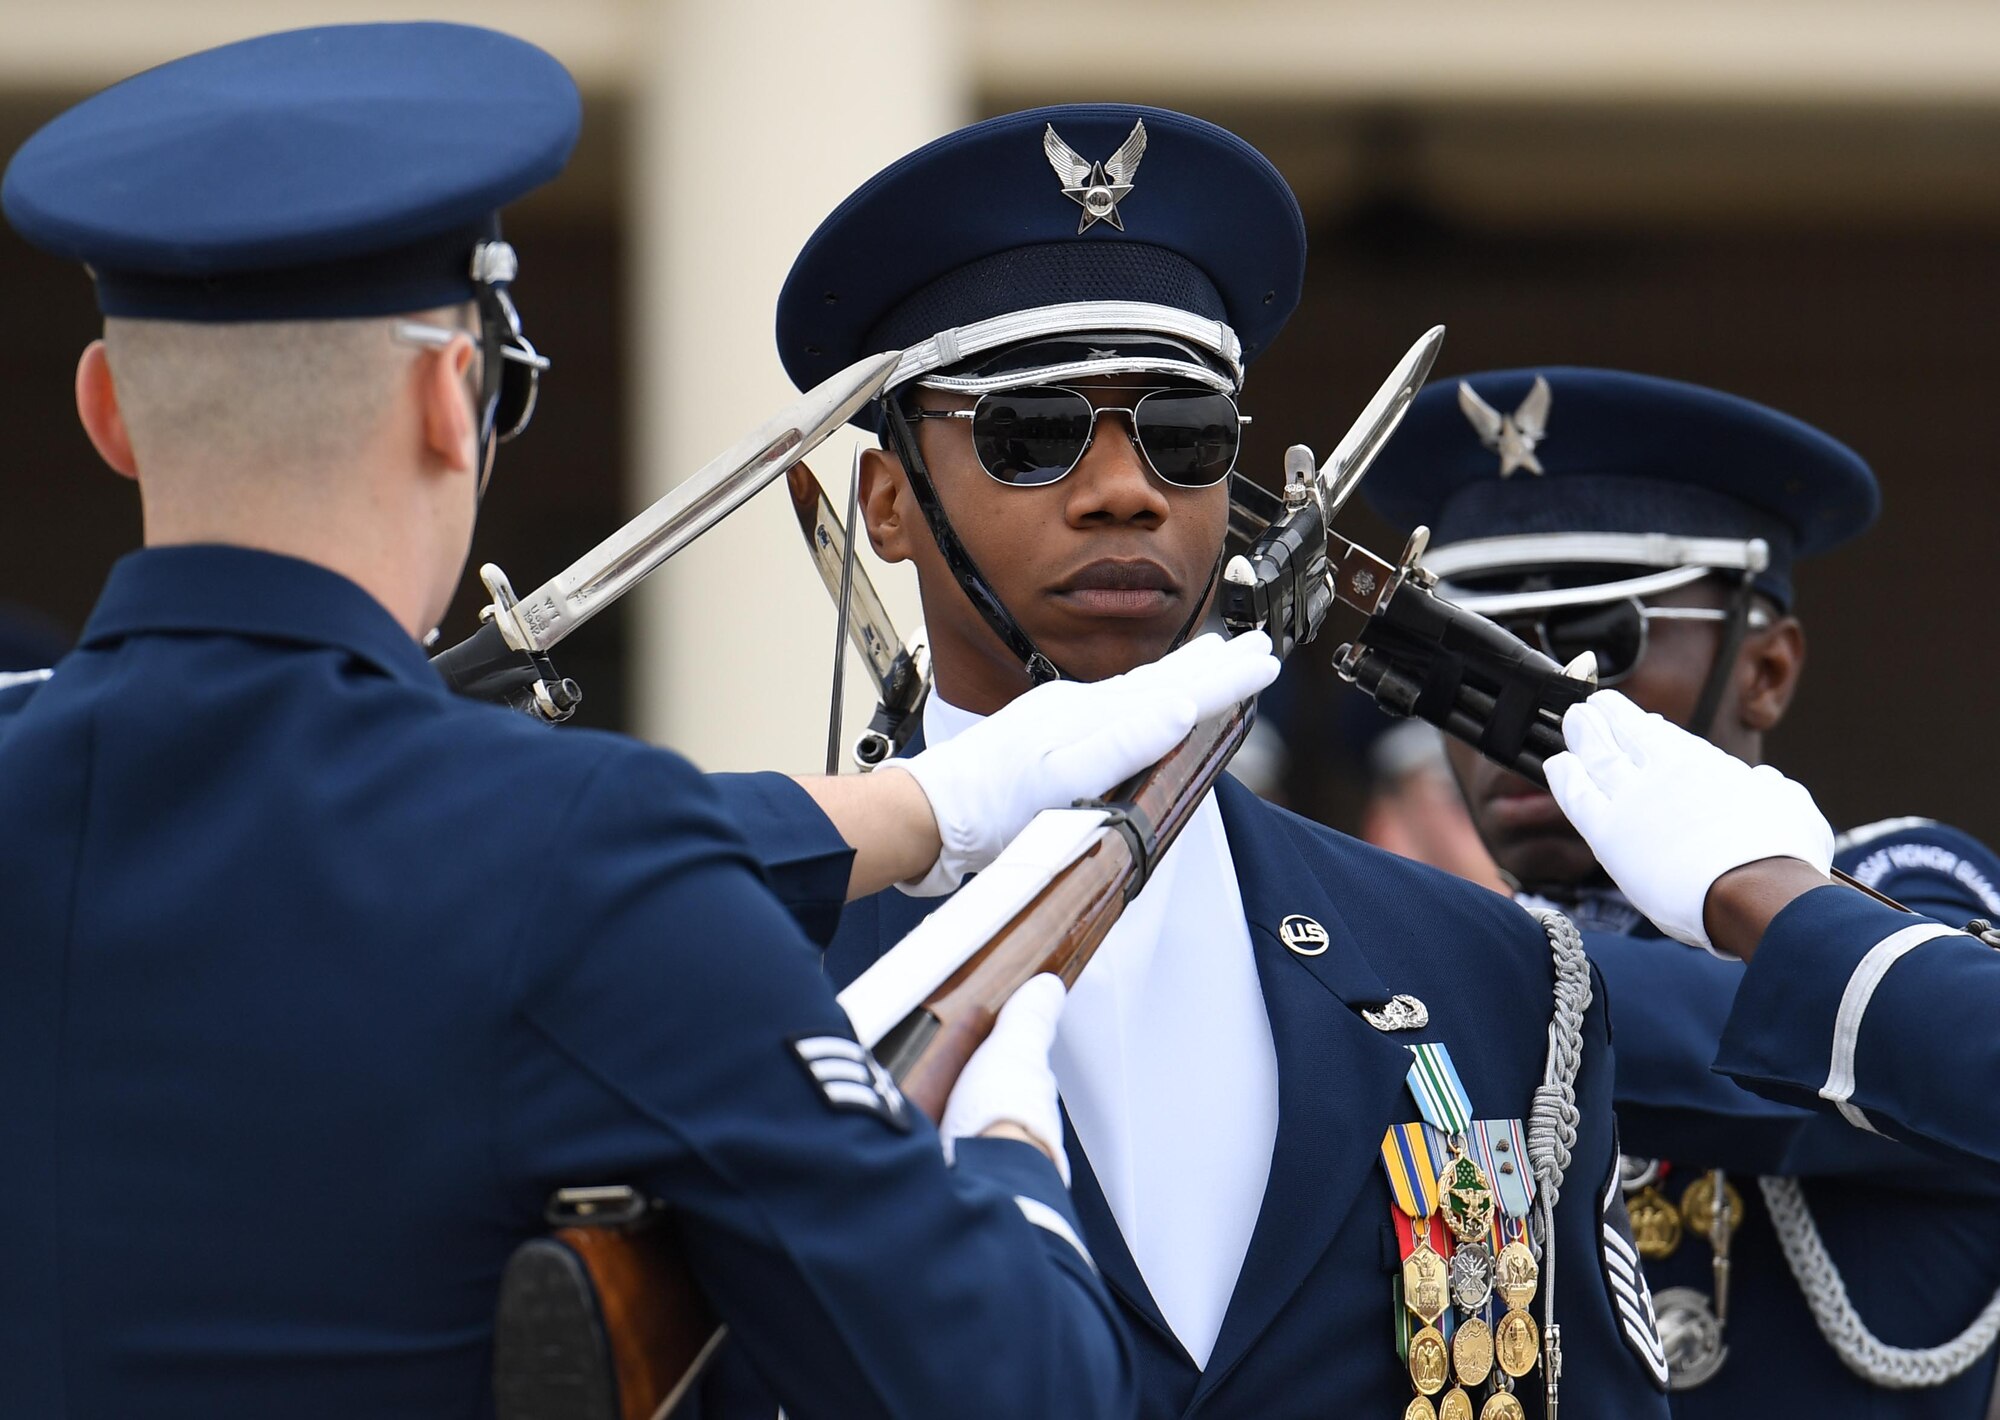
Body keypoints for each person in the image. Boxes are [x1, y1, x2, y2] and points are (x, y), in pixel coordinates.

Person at [0, 25, 1289, 1418]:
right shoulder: (579, 856)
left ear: (108, 413)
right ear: (456, 399)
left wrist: (925, 811)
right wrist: (1012, 1159)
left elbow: (329, 833)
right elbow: (1014, 1390)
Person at [701, 104, 1673, 1420]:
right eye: (1031, 433)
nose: (1125, 490)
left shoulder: (1482, 973)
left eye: (1186, 433)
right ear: (887, 503)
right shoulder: (732, 953)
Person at [1365, 366, 2000, 1413]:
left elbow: (1889, 1045)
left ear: (1765, 669)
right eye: (1469, 654)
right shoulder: (1429, 962)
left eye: (1599, 641)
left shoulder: (1902, 889)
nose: (1519, 701)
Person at [1546, 688, 2000, 1174]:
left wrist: (1761, 887)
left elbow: (1925, 1045)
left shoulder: (1909, 873)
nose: (1559, 709)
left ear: (1765, 673)